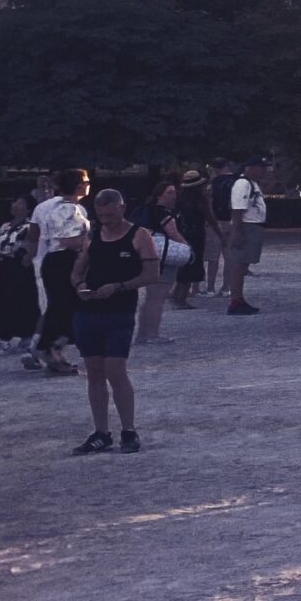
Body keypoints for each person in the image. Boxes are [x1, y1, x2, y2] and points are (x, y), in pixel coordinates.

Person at [70, 189, 156, 454]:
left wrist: (119, 287)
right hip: (89, 311)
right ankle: (101, 432)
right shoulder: (93, 236)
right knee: (94, 372)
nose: (106, 220)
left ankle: (129, 430)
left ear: (122, 208)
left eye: (110, 214)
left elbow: (152, 273)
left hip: (119, 311)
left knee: (116, 371)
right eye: (101, 215)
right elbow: (76, 272)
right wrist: (81, 285)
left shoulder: (139, 235)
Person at [26, 169, 92, 375]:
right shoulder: (69, 209)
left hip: (55, 260)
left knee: (62, 306)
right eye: (85, 181)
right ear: (77, 185)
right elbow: (68, 240)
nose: (89, 183)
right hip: (64, 260)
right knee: (65, 306)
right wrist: (92, 243)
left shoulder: (62, 207)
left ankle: (54, 352)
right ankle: (48, 347)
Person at [134, 179, 188, 342]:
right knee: (157, 298)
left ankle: (143, 333)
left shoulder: (142, 210)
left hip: (146, 257)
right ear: (159, 195)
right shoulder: (163, 213)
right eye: (169, 193)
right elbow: (172, 233)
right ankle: (152, 334)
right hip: (164, 258)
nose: (174, 196)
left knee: (150, 298)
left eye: (174, 192)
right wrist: (186, 248)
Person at [0, 196, 40, 355]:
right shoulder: (5, 226)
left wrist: (27, 258)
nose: (14, 204)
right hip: (3, 266)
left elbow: (33, 242)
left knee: (22, 301)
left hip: (20, 267)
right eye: (14, 201)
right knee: (2, 301)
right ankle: (3, 337)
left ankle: (25, 336)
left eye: (19, 202)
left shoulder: (29, 226)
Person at [223, 157, 269, 316]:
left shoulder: (251, 183)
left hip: (251, 226)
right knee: (239, 265)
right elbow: (237, 209)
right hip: (246, 226)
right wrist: (237, 232)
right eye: (261, 167)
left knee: (243, 264)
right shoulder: (243, 184)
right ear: (250, 168)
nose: (264, 171)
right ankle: (235, 300)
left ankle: (238, 299)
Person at [168, 170, 208, 310]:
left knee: (186, 267)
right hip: (194, 236)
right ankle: (180, 298)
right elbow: (209, 218)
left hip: (185, 235)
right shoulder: (198, 202)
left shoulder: (179, 201)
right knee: (190, 267)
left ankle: (177, 296)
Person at [202, 157, 237, 299]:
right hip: (233, 220)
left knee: (213, 257)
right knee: (229, 256)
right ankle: (226, 287)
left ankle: (210, 288)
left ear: (215, 168)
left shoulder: (214, 182)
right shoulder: (237, 181)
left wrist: (209, 220)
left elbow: (209, 202)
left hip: (216, 221)